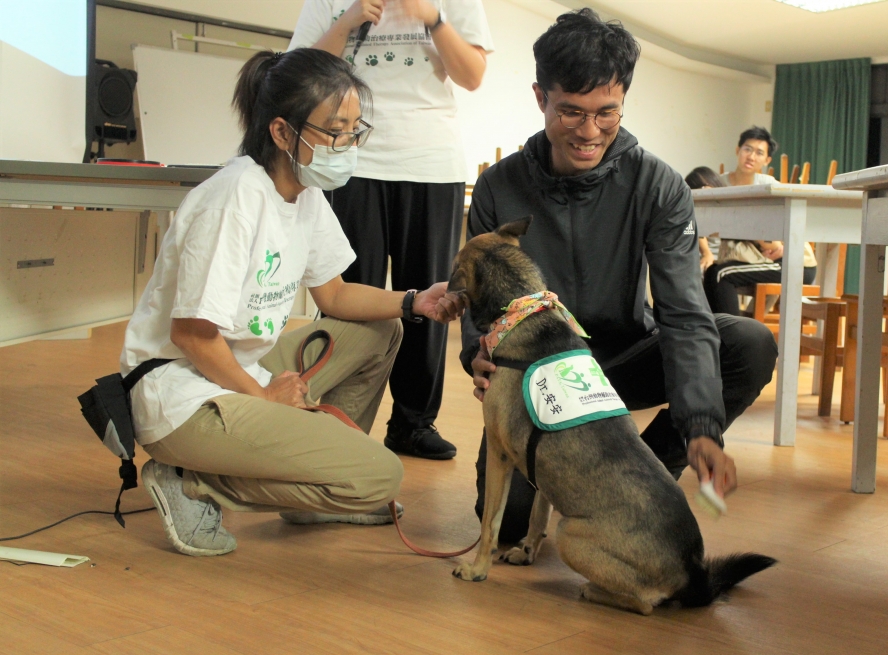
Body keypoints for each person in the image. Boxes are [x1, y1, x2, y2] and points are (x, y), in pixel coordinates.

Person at [121, 48, 463, 557]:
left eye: (354, 130)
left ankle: (313, 489)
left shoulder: (304, 193)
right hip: (180, 393)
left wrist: (415, 302)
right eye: (334, 131)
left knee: (385, 329)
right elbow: (191, 334)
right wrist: (261, 400)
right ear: (282, 133)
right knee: (379, 478)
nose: (347, 144)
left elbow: (336, 294)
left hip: (239, 369)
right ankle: (191, 481)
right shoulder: (234, 197)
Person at [462, 9, 778, 543]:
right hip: (542, 376)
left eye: (606, 113)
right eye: (571, 112)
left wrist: (701, 426)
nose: (589, 132)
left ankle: (642, 478)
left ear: (624, 99)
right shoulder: (498, 187)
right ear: (540, 97)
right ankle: (578, 488)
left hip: (625, 359)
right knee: (509, 529)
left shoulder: (657, 185)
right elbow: (478, 307)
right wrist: (477, 352)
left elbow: (683, 310)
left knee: (748, 341)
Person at [289, 0, 494, 461]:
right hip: (351, 158)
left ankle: (413, 424)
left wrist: (433, 18)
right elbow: (300, 73)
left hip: (430, 160)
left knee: (429, 296)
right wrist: (348, 18)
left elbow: (472, 75)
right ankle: (330, 414)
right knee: (347, 296)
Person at [703, 127, 817, 316]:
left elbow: (774, 242)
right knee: (712, 272)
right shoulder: (719, 184)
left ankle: (735, 335)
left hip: (794, 261)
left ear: (767, 160)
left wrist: (780, 243)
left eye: (759, 153)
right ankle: (722, 334)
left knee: (721, 274)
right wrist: (706, 252)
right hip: (759, 258)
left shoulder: (770, 187)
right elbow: (696, 223)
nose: (751, 157)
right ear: (737, 150)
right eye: (747, 149)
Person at [684, 166, 726, 272]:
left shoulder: (730, 206)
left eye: (703, 187)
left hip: (729, 257)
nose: (701, 193)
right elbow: (694, 228)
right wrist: (707, 253)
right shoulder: (693, 212)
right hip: (703, 258)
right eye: (695, 191)